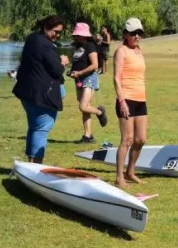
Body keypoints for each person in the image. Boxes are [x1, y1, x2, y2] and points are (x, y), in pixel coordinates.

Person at [12, 15, 69, 164]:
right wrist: (63, 62)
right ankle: (36, 165)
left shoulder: (32, 38)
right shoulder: (46, 45)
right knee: (42, 129)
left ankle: (30, 163)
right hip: (41, 95)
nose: (57, 35)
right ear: (45, 28)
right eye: (55, 32)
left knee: (34, 127)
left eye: (60, 33)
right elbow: (56, 70)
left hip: (27, 92)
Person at [113, 17, 148, 189]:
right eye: (133, 33)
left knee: (140, 139)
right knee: (127, 139)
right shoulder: (121, 51)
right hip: (126, 99)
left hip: (141, 99)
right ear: (126, 34)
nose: (137, 36)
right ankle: (119, 177)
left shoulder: (138, 50)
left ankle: (130, 172)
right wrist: (122, 101)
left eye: (139, 33)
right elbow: (116, 79)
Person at [69, 22, 108, 143]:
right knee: (85, 108)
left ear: (84, 35)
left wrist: (80, 73)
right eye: (76, 35)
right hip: (79, 79)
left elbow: (95, 65)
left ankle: (100, 112)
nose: (76, 37)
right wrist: (72, 72)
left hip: (89, 78)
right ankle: (87, 136)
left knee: (83, 106)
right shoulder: (78, 46)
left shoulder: (90, 46)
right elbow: (78, 62)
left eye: (78, 35)